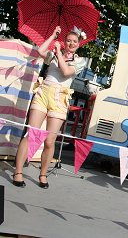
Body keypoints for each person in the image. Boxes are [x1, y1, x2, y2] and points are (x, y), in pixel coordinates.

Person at [12, 26, 87, 189]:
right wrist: (53, 35)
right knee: (31, 133)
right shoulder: (53, 55)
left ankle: (43, 174)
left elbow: (66, 72)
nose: (71, 43)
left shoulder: (80, 61)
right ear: (64, 41)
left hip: (60, 98)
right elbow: (40, 51)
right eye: (68, 40)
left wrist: (59, 53)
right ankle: (18, 171)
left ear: (79, 44)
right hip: (44, 92)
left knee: (50, 140)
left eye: (75, 41)